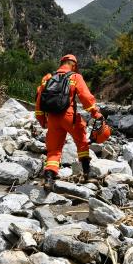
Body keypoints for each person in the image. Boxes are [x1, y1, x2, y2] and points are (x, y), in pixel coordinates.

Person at [35, 53, 102, 190]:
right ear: (74, 65)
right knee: (82, 142)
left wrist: (42, 119)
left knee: (54, 150)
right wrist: (96, 114)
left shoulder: (48, 78)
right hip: (69, 117)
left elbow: (39, 100)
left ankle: (48, 178)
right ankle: (87, 174)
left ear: (61, 63)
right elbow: (85, 97)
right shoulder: (75, 77)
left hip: (53, 119)